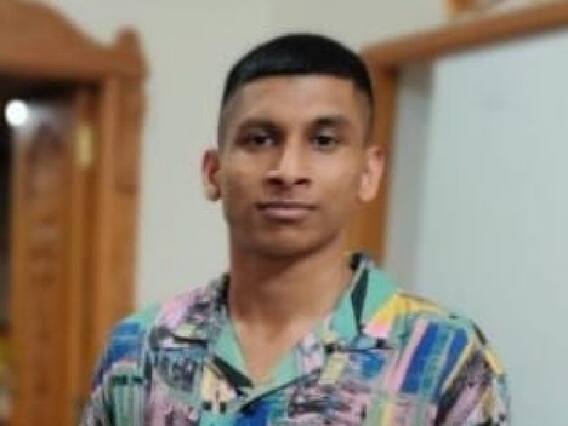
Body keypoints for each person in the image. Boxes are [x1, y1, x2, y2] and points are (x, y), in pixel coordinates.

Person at [80, 33, 510, 425]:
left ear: (368, 172)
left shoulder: (443, 357)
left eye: (323, 141)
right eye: (259, 139)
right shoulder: (140, 350)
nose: (288, 171)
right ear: (214, 172)